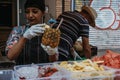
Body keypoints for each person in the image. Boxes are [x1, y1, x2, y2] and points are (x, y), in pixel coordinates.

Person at [5, 0, 57, 65]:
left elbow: (54, 62)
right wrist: (24, 37)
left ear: (43, 13)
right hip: (22, 72)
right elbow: (10, 56)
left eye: (35, 11)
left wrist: (52, 52)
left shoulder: (50, 32)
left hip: (44, 72)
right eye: (27, 12)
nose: (30, 15)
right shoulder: (18, 30)